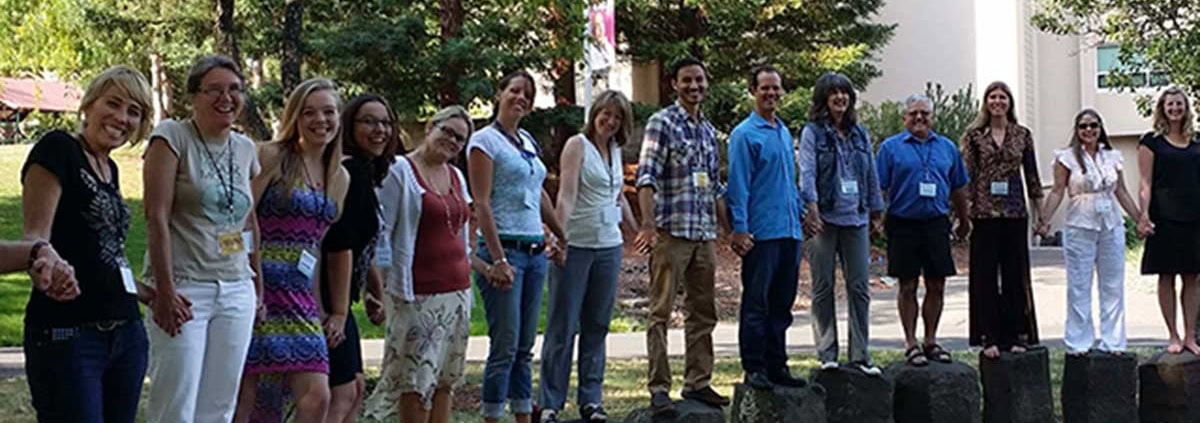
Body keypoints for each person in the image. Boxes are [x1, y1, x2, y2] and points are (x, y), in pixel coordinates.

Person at [20, 65, 155, 423]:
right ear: (89, 104)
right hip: (70, 335)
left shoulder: (109, 168)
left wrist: (148, 293)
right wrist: (44, 268)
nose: (121, 118)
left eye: (134, 112)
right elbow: (35, 238)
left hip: (127, 334)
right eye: (113, 103)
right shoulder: (58, 149)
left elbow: (106, 252)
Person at [143, 55, 260, 423]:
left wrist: (257, 286)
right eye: (214, 90)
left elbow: (249, 220)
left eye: (235, 89)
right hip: (185, 289)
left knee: (220, 406)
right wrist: (164, 289)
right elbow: (155, 216)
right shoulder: (171, 137)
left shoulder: (245, 148)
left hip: (237, 288)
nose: (226, 98)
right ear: (193, 96)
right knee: (176, 403)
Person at [235, 78, 350, 423]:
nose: (320, 120)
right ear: (294, 118)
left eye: (328, 112)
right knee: (250, 398)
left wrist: (323, 306)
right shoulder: (271, 156)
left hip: (300, 296)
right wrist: (247, 280)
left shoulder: (340, 176)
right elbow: (239, 219)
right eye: (309, 113)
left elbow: (315, 245)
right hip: (259, 287)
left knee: (317, 396)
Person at [366, 105, 477, 423]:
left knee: (445, 381)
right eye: (448, 132)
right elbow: (380, 234)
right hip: (417, 296)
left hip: (458, 295)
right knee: (416, 383)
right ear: (430, 127)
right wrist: (377, 288)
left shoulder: (455, 175)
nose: (453, 141)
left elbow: (462, 229)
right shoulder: (399, 170)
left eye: (460, 139)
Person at [468, 71, 567, 423]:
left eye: (527, 94)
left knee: (525, 348)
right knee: (505, 347)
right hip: (505, 253)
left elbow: (538, 192)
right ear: (499, 93)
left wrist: (559, 232)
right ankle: (492, 416)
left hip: (535, 252)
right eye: (514, 91)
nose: (521, 98)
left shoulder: (526, 140)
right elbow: (481, 203)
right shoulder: (484, 142)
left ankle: (524, 415)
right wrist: (496, 259)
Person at [635, 56, 731, 416]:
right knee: (660, 311)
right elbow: (646, 177)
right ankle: (659, 388)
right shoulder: (662, 123)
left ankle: (698, 382)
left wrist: (729, 230)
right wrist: (647, 224)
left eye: (700, 80)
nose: (695, 86)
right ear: (674, 84)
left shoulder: (708, 131)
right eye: (687, 80)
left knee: (703, 312)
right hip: (671, 232)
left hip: (704, 234)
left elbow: (715, 187)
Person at [538, 90, 637, 422]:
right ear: (595, 114)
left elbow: (618, 195)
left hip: (608, 247)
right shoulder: (576, 146)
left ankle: (591, 400)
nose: (609, 121)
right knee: (563, 325)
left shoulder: (616, 149)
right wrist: (558, 237)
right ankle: (550, 402)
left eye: (617, 117)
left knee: (597, 324)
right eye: (605, 114)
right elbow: (565, 195)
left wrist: (639, 231)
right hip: (576, 245)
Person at [321, 94, 403, 422]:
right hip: (326, 300)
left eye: (385, 122)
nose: (379, 129)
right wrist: (339, 313)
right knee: (340, 396)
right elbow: (340, 245)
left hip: (342, 300)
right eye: (368, 121)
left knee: (354, 389)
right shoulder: (349, 171)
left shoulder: (363, 172)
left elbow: (361, 245)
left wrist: (374, 291)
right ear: (349, 125)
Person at [725, 65, 807, 389]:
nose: (771, 93)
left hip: (789, 232)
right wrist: (740, 228)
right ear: (753, 91)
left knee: (782, 305)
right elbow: (739, 185)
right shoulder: (745, 134)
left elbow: (789, 183)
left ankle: (778, 365)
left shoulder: (784, 131)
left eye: (776, 88)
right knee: (757, 303)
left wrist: (802, 214)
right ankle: (755, 367)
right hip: (762, 233)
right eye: (765, 88)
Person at [798, 72, 884, 375]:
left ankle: (860, 355)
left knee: (859, 287)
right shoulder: (812, 133)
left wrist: (876, 210)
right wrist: (811, 209)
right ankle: (827, 354)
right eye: (833, 93)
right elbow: (807, 171)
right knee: (822, 287)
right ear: (823, 98)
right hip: (823, 218)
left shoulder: (860, 133)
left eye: (845, 93)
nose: (840, 98)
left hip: (856, 218)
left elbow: (871, 171)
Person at [876, 94, 971, 366]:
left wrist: (964, 220)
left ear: (932, 117)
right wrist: (877, 218)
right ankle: (911, 343)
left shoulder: (947, 147)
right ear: (904, 117)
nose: (919, 118)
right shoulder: (890, 148)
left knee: (936, 284)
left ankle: (931, 340)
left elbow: (958, 187)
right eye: (914, 113)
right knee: (907, 285)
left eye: (925, 114)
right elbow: (879, 187)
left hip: (936, 223)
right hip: (903, 222)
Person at [1036, 109, 1139, 355]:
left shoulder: (1112, 157)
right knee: (1079, 284)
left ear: (1100, 128)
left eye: (1093, 125)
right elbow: (1058, 191)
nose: (1089, 130)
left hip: (1110, 223)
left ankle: (1113, 341)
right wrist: (1044, 220)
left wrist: (1139, 218)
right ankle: (1079, 341)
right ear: (1077, 130)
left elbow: (1121, 191)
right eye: (1083, 126)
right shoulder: (1066, 158)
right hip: (1079, 224)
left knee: (1112, 284)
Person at [960, 81, 1044, 359]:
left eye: (1003, 97)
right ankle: (989, 336)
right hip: (983, 214)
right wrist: (963, 214)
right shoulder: (974, 136)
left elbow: (1032, 176)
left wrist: (1040, 213)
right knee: (985, 276)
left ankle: (1017, 333)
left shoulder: (1022, 134)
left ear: (1010, 102)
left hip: (1014, 212)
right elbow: (966, 177)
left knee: (1014, 275)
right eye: (993, 97)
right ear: (986, 102)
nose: (998, 102)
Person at [1135, 87, 1200, 355]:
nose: (1174, 108)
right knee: (1166, 276)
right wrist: (1144, 215)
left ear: (1186, 108)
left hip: (1195, 216)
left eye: (1179, 104)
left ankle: (1189, 336)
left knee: (1193, 277)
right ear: (1162, 108)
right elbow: (1145, 182)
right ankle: (1172, 335)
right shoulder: (1151, 142)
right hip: (1165, 218)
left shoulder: (1196, 142)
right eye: (1170, 104)